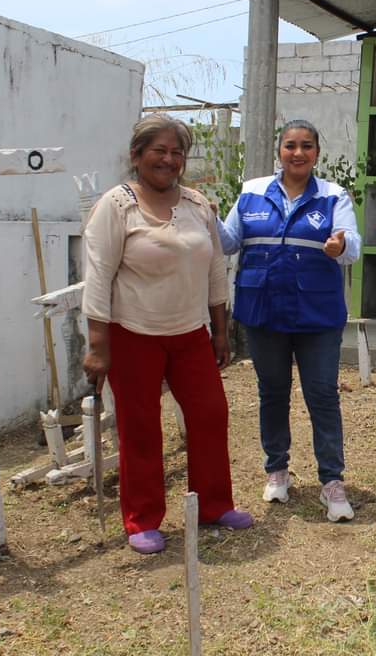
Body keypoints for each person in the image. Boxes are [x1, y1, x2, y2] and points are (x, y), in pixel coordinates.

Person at [82, 113, 252, 555]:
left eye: (177, 152)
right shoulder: (116, 206)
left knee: (210, 415)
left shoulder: (197, 205)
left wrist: (220, 331)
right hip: (132, 333)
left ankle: (214, 505)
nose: (169, 160)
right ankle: (142, 519)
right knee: (140, 427)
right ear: (136, 155)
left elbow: (215, 271)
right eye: (159, 150)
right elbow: (98, 277)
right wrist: (97, 346)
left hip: (189, 333)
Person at [217, 119, 362, 522]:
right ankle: (277, 470)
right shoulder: (251, 192)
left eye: (307, 146)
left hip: (317, 316)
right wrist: (208, 217)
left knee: (322, 395)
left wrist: (340, 245)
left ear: (317, 153)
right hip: (264, 312)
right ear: (279, 150)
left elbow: (352, 246)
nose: (298, 153)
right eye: (290, 145)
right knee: (272, 392)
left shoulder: (333, 196)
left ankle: (331, 481)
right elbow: (229, 243)